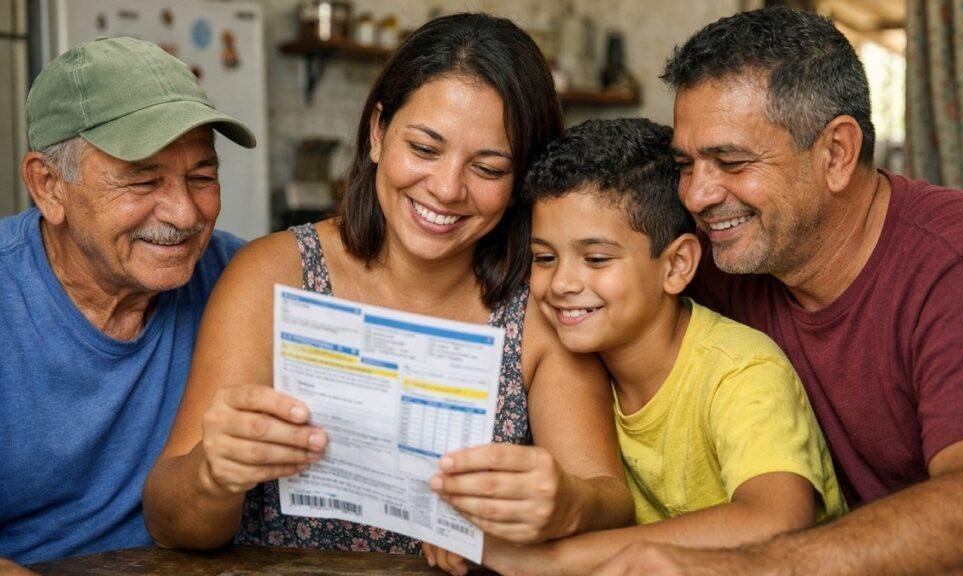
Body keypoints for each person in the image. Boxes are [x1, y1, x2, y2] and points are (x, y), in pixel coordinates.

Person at [142, 12, 633, 565]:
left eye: (489, 169)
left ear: (522, 179)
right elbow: (167, 520)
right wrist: (215, 472)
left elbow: (610, 500)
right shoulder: (273, 275)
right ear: (378, 132)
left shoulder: (540, 306)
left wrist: (565, 504)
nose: (446, 189)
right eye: (424, 149)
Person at [594, 7, 963, 576]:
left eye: (732, 161)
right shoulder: (713, 256)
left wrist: (748, 566)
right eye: (686, 164)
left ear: (837, 153)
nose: (696, 196)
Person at [447, 118, 843, 576]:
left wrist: (549, 560)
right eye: (544, 258)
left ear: (676, 265)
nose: (562, 283)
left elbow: (777, 518)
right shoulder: (575, 374)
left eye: (596, 259)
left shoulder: (740, 371)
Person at [0, 36, 255, 565]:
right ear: (48, 186)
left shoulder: (242, 280)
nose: (185, 215)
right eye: (142, 180)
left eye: (202, 177)